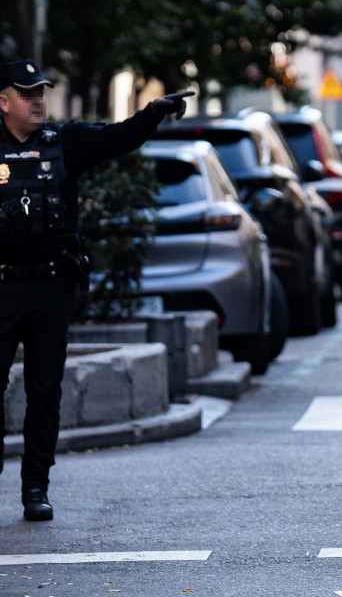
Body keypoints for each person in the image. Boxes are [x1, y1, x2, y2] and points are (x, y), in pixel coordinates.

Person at [0, 59, 190, 521]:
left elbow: (116, 137)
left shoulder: (64, 141)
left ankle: (35, 489)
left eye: (41, 91)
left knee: (45, 392)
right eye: (27, 93)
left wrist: (152, 114)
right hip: (1, 288)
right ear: (3, 102)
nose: (38, 100)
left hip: (50, 287)